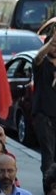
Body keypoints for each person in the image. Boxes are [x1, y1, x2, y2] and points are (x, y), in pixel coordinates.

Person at [33, 32, 56, 175]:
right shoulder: (42, 64)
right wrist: (51, 42)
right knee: (48, 154)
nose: (55, 48)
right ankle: (50, 188)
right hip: (44, 116)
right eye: (53, 46)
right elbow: (38, 57)